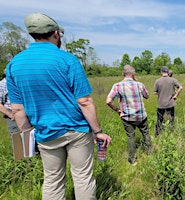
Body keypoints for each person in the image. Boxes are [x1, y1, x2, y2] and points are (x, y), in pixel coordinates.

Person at [6, 13, 111, 199]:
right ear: (56, 34)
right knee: (83, 178)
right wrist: (98, 131)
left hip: (45, 133)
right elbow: (84, 101)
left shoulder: (14, 65)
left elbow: (17, 110)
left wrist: (28, 137)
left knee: (53, 180)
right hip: (76, 130)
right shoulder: (68, 60)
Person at [106, 65, 153, 165]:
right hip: (141, 116)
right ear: (133, 73)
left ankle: (133, 160)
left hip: (127, 117)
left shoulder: (117, 86)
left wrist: (117, 110)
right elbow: (147, 96)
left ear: (123, 74)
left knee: (130, 137)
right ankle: (150, 154)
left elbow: (108, 101)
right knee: (146, 133)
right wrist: (136, 80)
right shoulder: (139, 84)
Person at [154, 66, 183, 136]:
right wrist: (176, 95)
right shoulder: (173, 80)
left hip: (161, 104)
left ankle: (157, 134)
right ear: (167, 72)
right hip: (170, 103)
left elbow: (155, 92)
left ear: (161, 72)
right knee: (171, 119)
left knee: (159, 120)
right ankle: (171, 133)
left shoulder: (157, 81)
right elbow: (181, 87)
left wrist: (160, 92)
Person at [0, 69, 20, 144]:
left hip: (24, 111)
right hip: (11, 113)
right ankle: (18, 155)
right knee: (16, 135)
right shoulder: (2, 84)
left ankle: (32, 154)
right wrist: (11, 115)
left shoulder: (17, 83)